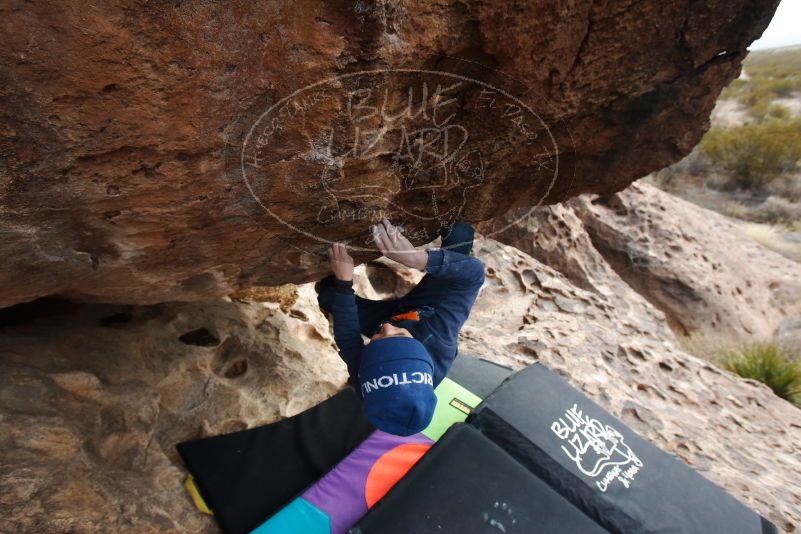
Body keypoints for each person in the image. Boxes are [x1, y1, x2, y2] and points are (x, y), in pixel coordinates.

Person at [316, 219, 485, 436]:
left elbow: (348, 339)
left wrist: (344, 282)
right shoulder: (440, 339)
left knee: (330, 296)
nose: (387, 328)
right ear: (419, 347)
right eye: (399, 335)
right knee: (460, 232)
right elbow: (473, 275)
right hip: (429, 307)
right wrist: (415, 259)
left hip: (396, 318)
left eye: (375, 340)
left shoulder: (371, 382)